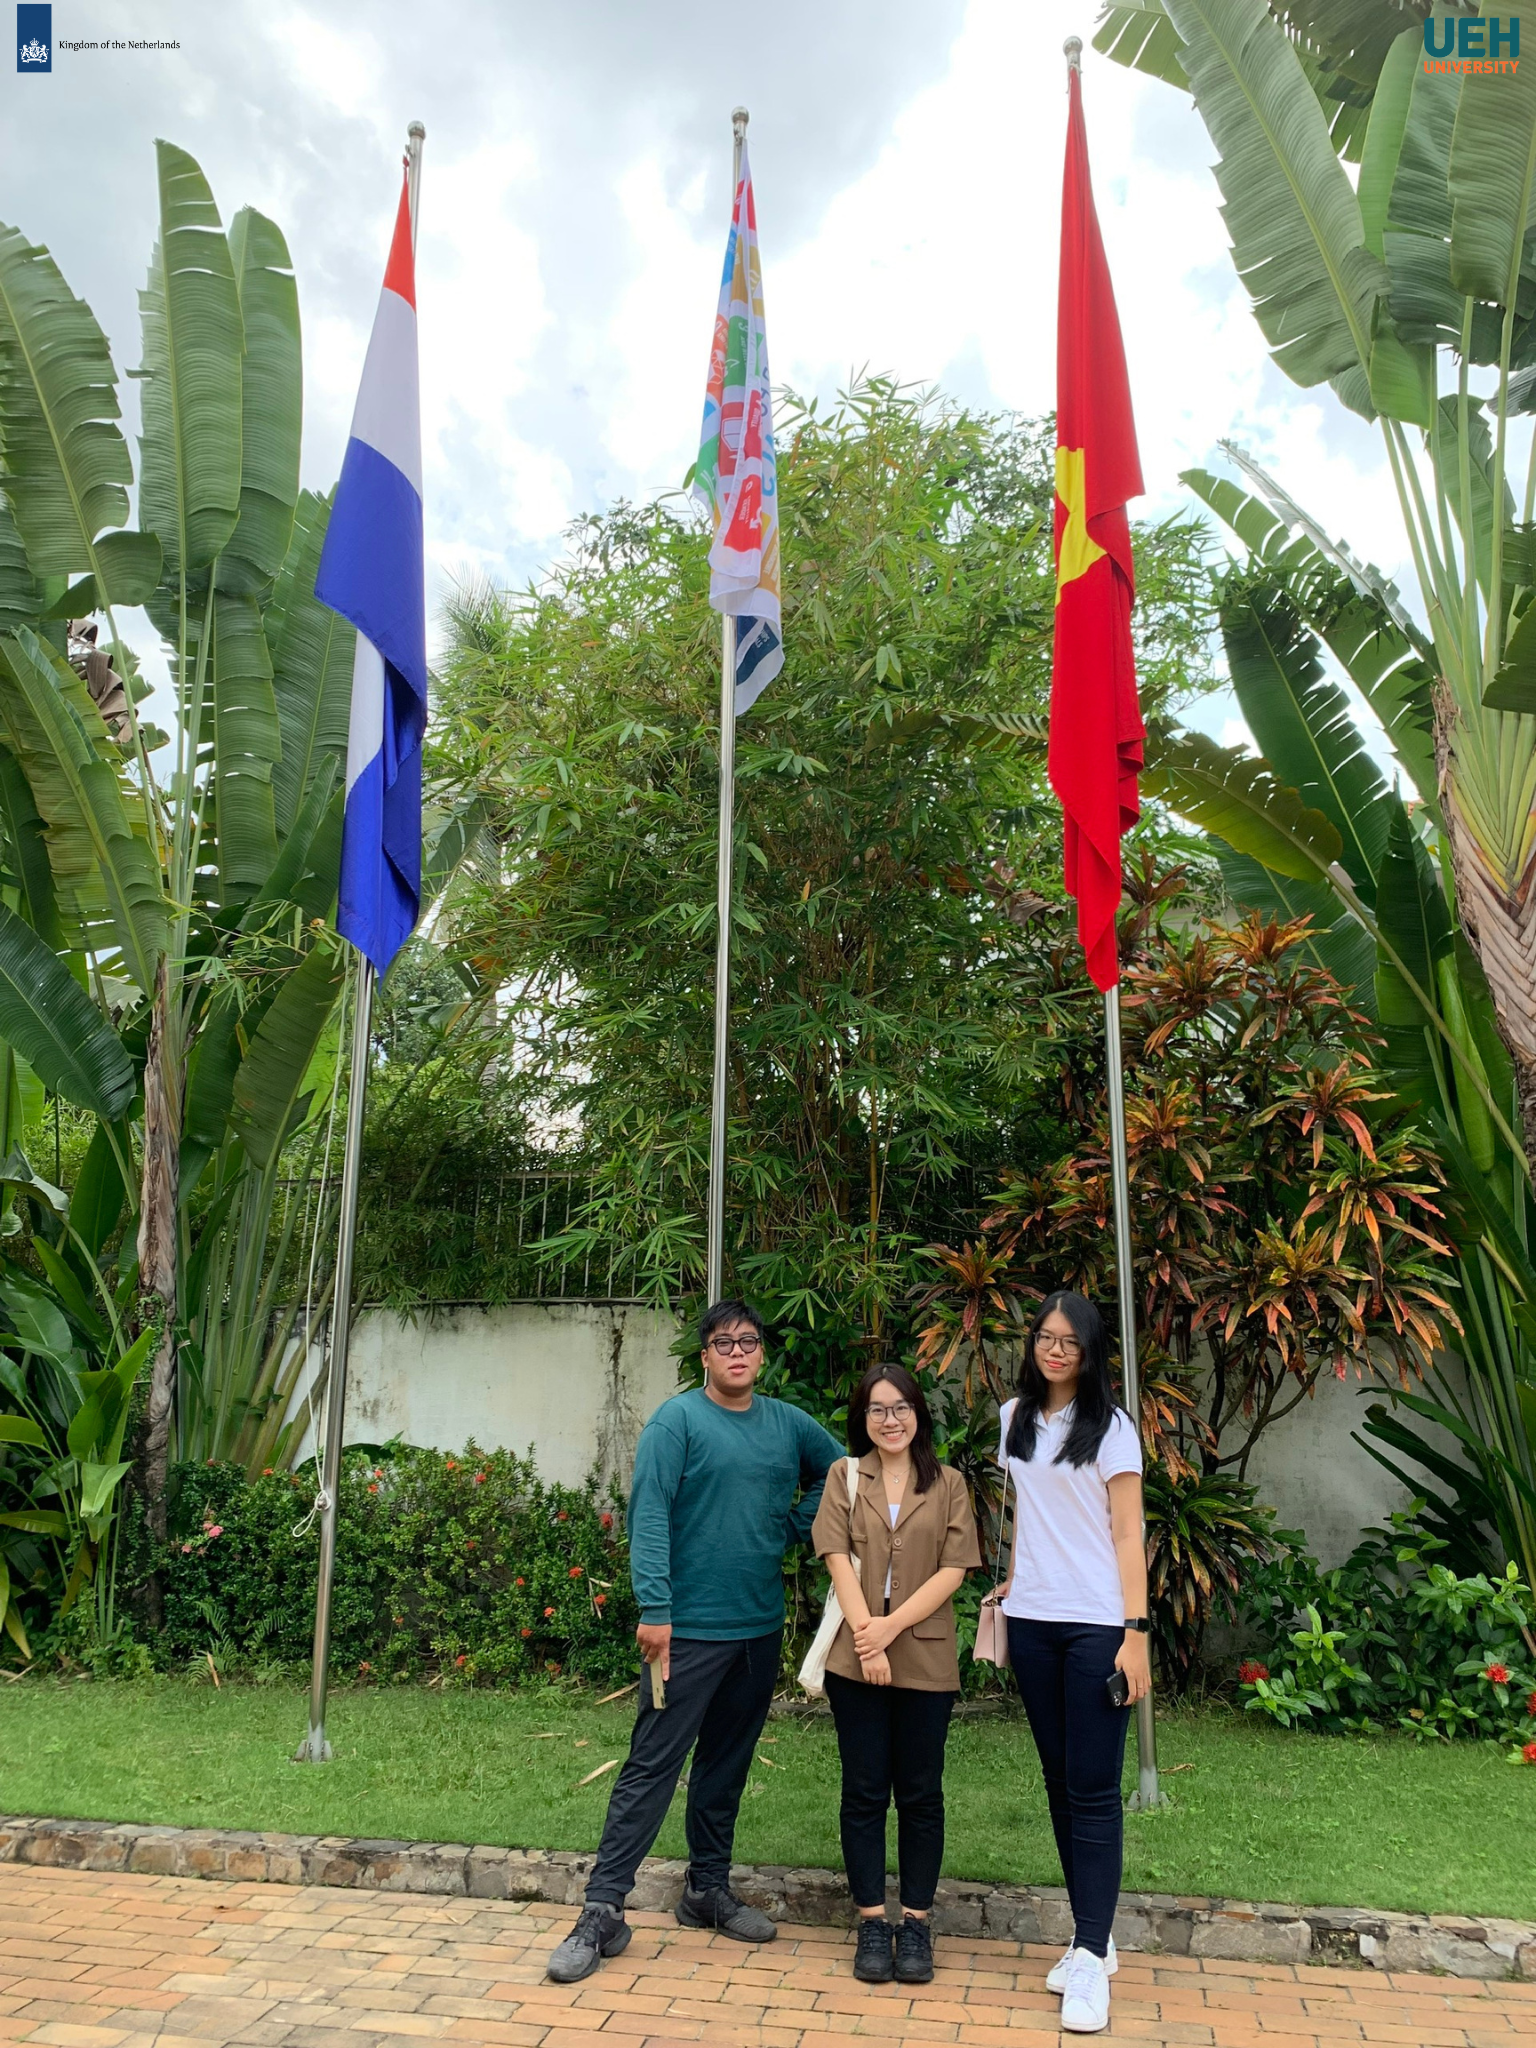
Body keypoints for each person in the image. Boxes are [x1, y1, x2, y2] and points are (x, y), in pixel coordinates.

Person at [547, 1298, 843, 1984]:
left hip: (757, 1629)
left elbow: (841, 1472)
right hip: (684, 1631)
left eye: (749, 1341)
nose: (738, 1352)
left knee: (725, 1765)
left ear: (762, 1354)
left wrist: (791, 1526)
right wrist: (656, 1607)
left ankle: (707, 1890)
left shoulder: (787, 1424)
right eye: (724, 1343)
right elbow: (648, 1513)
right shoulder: (675, 1422)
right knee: (651, 1766)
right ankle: (601, 1910)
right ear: (705, 1355)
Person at [996, 1290, 1149, 2036]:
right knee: (1060, 1781)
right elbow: (1026, 1513)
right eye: (1044, 1338)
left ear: (1090, 1352)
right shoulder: (1013, 1417)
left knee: (1092, 1789)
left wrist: (1135, 1631)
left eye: (1070, 1342)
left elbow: (1127, 1533)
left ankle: (1089, 1954)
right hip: (1031, 1620)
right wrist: (1013, 1581)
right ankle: (1098, 1932)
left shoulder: (1112, 1428)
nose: (1055, 1351)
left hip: (1096, 1624)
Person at [813, 1362, 980, 1986]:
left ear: (918, 1414)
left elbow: (953, 1570)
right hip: (854, 1657)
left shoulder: (949, 1483)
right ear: (863, 1418)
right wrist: (868, 1637)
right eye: (877, 1409)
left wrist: (889, 1630)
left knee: (920, 1791)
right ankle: (870, 1923)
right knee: (863, 1790)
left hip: (925, 1654)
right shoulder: (843, 1476)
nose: (890, 1420)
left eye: (901, 1407)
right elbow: (836, 1558)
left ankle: (915, 1923)